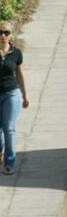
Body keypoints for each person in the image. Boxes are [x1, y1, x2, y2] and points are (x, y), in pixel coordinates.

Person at [0, 21, 29, 175]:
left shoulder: (16, 53)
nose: (3, 36)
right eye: (0, 32)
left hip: (11, 93)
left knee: (9, 128)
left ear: (11, 35)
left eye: (6, 32)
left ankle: (9, 163)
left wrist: (24, 95)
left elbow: (19, 74)